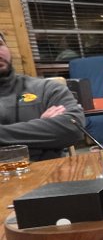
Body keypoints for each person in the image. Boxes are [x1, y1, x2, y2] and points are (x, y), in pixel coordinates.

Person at [0, 31, 84, 160]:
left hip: (49, 170)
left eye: (0, 44)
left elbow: (73, 128)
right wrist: (42, 131)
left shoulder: (46, 89)